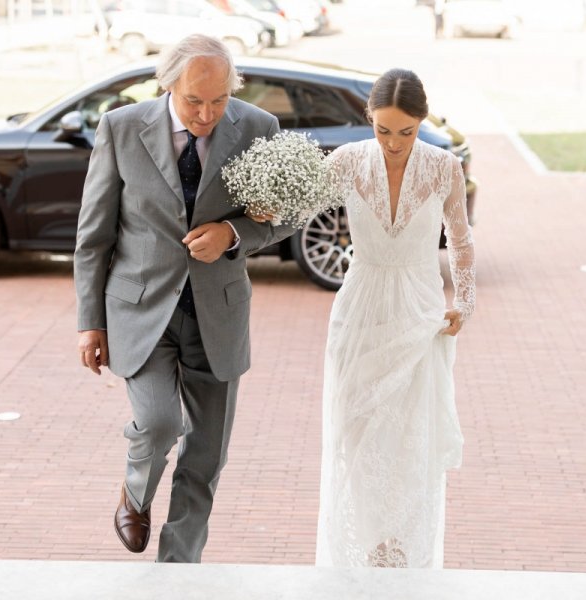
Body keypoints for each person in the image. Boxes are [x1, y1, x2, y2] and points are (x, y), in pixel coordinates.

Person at [74, 34, 294, 562]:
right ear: (168, 84)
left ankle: (179, 570)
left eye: (218, 100)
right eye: (195, 100)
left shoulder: (259, 128)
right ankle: (135, 490)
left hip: (217, 314)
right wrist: (89, 322)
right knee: (159, 423)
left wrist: (235, 234)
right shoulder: (121, 128)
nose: (207, 113)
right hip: (140, 311)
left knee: (206, 457)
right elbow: (93, 235)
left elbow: (287, 214)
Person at [316, 68, 475, 568]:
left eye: (405, 132)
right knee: (355, 432)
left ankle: (402, 550)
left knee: (410, 440)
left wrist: (464, 303)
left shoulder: (444, 168)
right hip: (360, 307)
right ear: (369, 119)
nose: (393, 142)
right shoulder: (344, 162)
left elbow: (463, 242)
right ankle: (368, 545)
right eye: (383, 130)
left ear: (421, 123)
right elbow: (295, 213)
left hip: (419, 311)